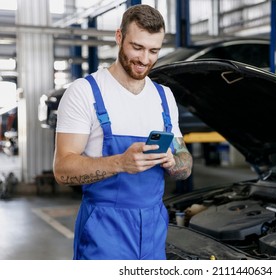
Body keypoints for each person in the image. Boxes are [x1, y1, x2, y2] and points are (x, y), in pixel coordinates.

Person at [53, 4, 193, 260]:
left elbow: (185, 163)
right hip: (104, 233)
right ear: (119, 37)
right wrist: (120, 163)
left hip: (154, 230)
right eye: (137, 47)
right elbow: (62, 170)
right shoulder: (85, 92)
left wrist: (175, 162)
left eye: (154, 51)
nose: (144, 59)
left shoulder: (164, 97)